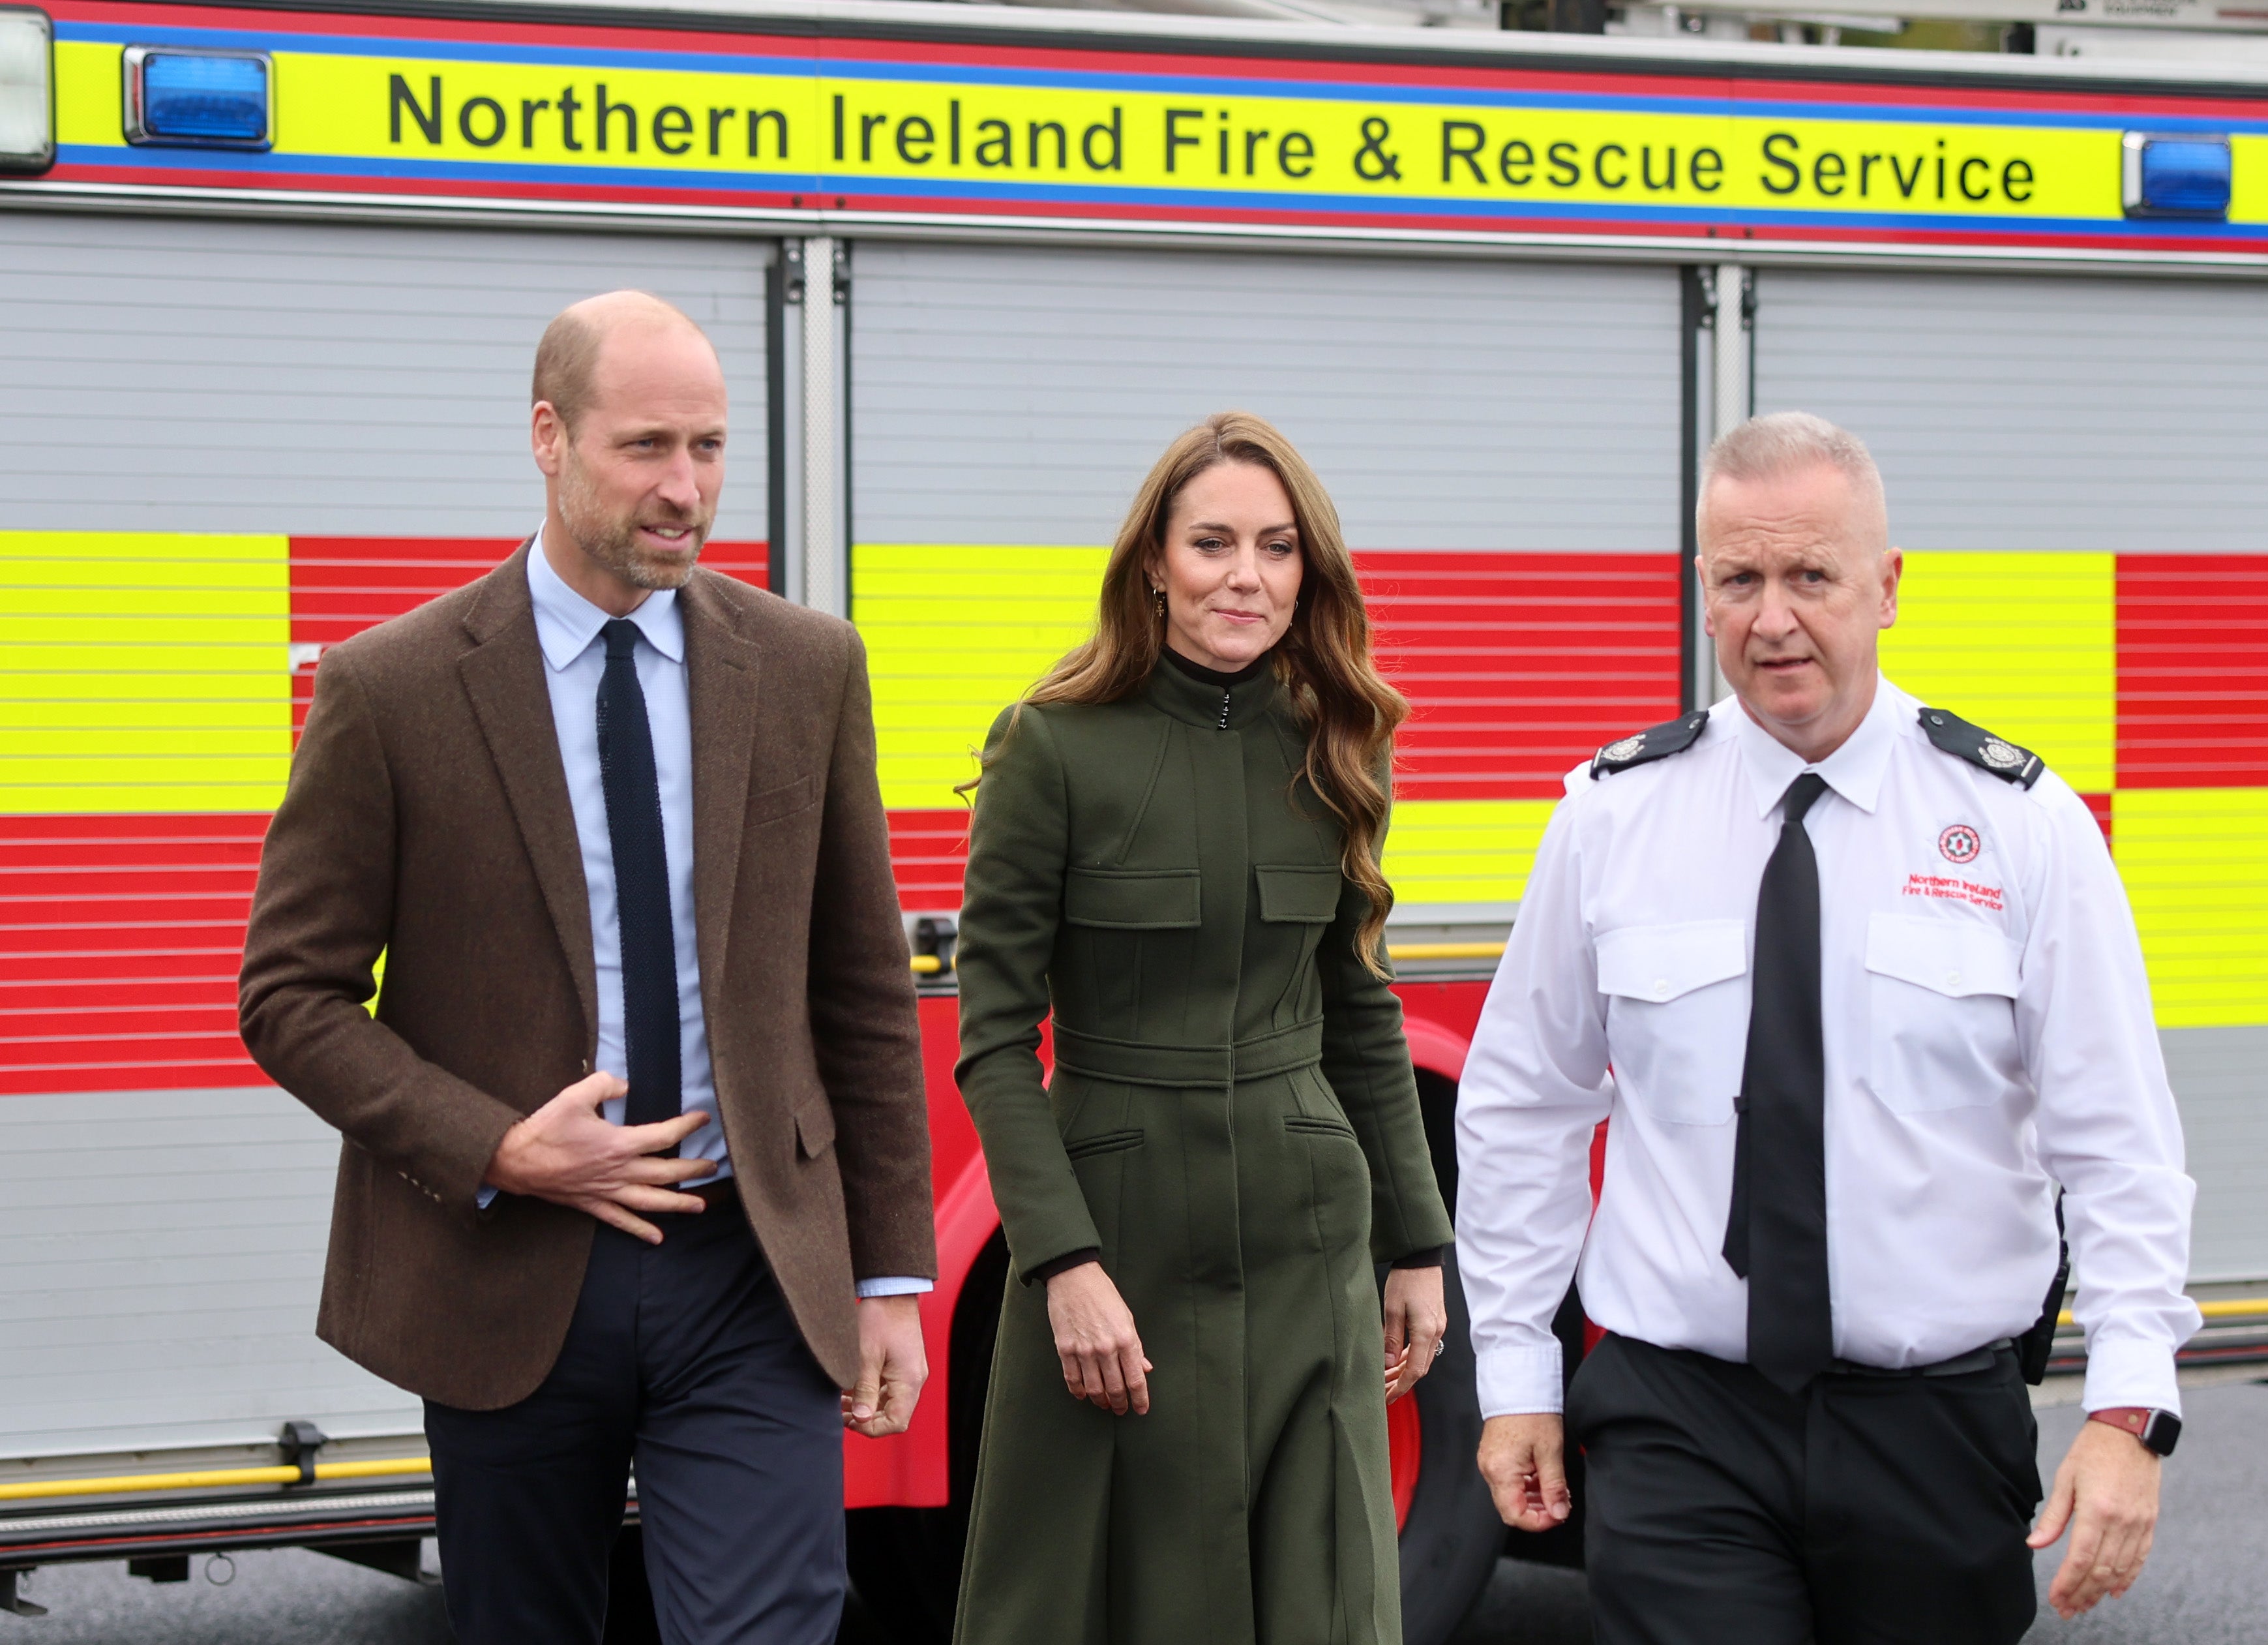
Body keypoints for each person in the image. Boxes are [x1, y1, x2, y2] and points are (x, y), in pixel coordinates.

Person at [237, 291, 935, 1644]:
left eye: (711, 449)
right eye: (647, 447)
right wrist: (498, 1144)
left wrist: (888, 1276)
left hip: (749, 1266)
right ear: (548, 438)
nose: (687, 490)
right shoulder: (394, 689)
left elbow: (858, 986)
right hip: (506, 1269)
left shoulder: (804, 668)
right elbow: (289, 993)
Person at [1454, 412, 2201, 1645]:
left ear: (1888, 587)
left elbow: (2113, 1141)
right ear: (1703, 592)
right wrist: (1518, 1379)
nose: (1772, 618)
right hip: (1676, 1415)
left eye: (1811, 575)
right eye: (1739, 580)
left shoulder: (2021, 825)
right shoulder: (1609, 817)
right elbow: (1523, 1105)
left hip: (1934, 1424)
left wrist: (2128, 1412)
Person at [950, 412, 1454, 1645]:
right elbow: (994, 1042)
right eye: (1214, 542)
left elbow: (1358, 1007)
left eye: (1277, 548)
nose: (1246, 574)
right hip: (1117, 1249)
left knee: (1320, 1607)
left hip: (1304, 1244)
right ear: (1154, 565)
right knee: (1097, 1605)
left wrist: (1416, 1242)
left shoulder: (1334, 743)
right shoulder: (1049, 746)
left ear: (1308, 571)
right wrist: (1061, 1265)